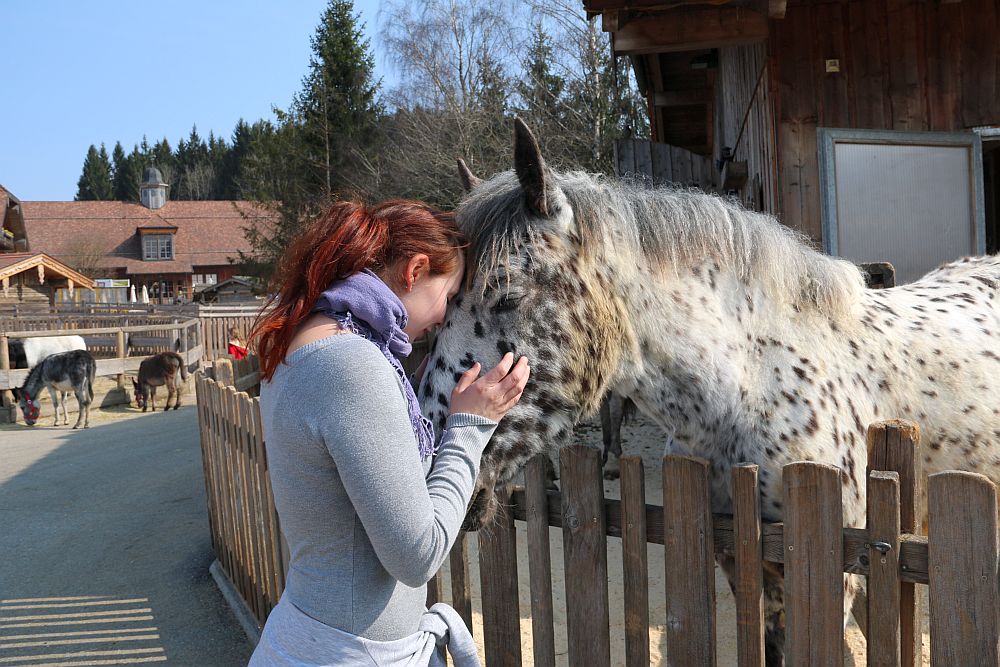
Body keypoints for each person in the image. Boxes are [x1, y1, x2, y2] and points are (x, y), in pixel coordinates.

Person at [246, 200, 530, 667]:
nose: (445, 318)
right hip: (348, 655)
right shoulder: (350, 364)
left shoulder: (305, 344)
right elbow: (417, 555)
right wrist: (472, 425)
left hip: (322, 640)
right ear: (416, 270)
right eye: (451, 293)